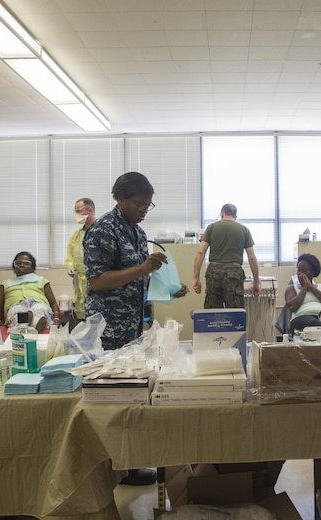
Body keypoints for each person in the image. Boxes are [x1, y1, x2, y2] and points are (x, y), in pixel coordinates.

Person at [84, 171, 188, 486]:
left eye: (148, 204)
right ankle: (106, 469)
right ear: (121, 199)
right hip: (108, 327)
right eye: (140, 203)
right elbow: (97, 281)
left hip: (131, 325)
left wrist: (170, 288)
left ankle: (126, 466)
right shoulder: (103, 230)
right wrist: (142, 268)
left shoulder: (137, 232)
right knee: (107, 402)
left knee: (129, 396)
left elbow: (139, 278)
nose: (144, 209)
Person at [192, 203, 261, 309]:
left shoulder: (211, 228)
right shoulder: (244, 230)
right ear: (235, 217)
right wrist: (256, 281)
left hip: (214, 272)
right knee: (235, 313)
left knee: (212, 314)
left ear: (222, 214)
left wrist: (196, 277)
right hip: (234, 273)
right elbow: (252, 258)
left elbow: (201, 252)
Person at [0, 252, 60, 331]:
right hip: (16, 305)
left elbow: (53, 303)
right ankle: (27, 325)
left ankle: (35, 324)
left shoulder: (41, 280)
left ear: (32, 267)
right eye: (18, 263)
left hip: (38, 303)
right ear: (14, 267)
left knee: (41, 308)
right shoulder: (5, 284)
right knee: (17, 311)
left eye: (26, 263)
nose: (22, 265)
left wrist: (56, 317)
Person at [284, 253, 321, 336]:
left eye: (304, 270)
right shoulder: (291, 288)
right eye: (298, 270)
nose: (300, 274)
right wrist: (304, 288)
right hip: (301, 319)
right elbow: (292, 307)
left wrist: (311, 287)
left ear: (313, 272)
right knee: (313, 323)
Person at [64, 198, 96, 321]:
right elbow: (70, 254)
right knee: (82, 314)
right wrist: (70, 266)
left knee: (95, 316)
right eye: (75, 211)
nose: (77, 215)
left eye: (79, 211)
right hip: (80, 279)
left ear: (90, 210)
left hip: (96, 279)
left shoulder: (101, 231)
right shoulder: (77, 235)